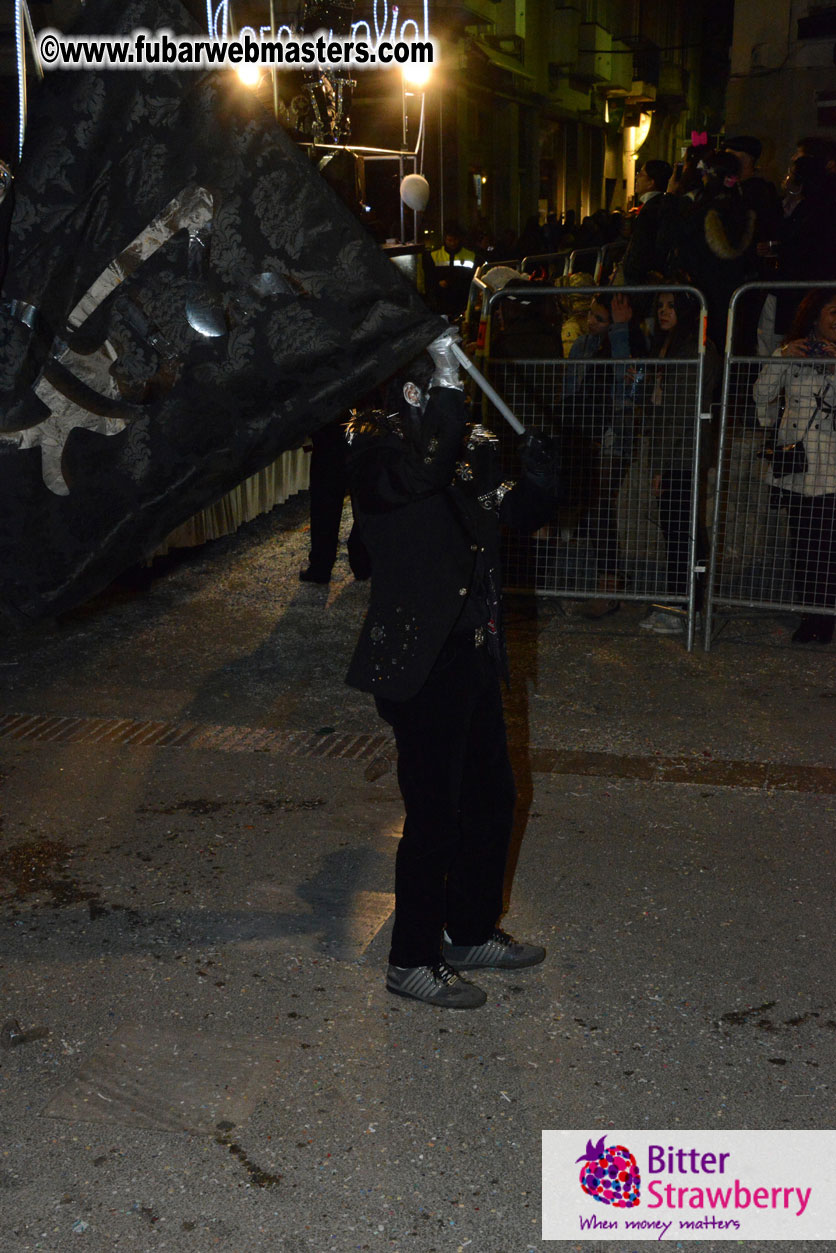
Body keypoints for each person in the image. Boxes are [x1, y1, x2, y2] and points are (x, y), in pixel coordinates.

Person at [345, 329, 558, 1008]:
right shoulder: (373, 445)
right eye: (442, 384)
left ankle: (466, 931)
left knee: (493, 798)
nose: (457, 398)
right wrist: (445, 396)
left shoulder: (460, 450)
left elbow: (507, 512)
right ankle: (410, 957)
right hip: (421, 661)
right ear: (414, 389)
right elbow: (418, 476)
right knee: (434, 815)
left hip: (472, 652)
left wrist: (546, 477)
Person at [753, 288, 836, 644]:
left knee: (828, 547)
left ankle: (827, 618)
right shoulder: (787, 352)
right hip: (798, 468)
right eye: (833, 311)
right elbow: (761, 395)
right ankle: (811, 617)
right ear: (815, 317)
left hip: (832, 467)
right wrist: (783, 357)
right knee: (802, 546)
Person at [638, 290, 720, 635]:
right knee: (678, 530)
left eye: (671, 306)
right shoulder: (667, 347)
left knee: (683, 531)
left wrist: (660, 464)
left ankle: (685, 606)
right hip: (673, 450)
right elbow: (659, 404)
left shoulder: (697, 348)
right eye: (659, 306)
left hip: (683, 452)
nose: (663, 312)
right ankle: (682, 604)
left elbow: (681, 411)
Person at [563, 292, 647, 617]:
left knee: (600, 504)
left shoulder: (628, 341)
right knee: (594, 505)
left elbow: (629, 388)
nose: (591, 322)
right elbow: (571, 389)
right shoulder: (584, 345)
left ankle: (609, 585)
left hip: (612, 435)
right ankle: (607, 582)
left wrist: (621, 331)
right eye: (591, 316)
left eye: (600, 318)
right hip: (585, 435)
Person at [299, 415, 370, 584]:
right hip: (358, 426)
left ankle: (322, 566)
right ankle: (361, 560)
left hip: (335, 429)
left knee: (326, 503)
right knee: (362, 499)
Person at [622, 159, 674, 285]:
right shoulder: (661, 205)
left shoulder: (651, 210)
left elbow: (642, 246)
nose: (636, 177)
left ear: (651, 182)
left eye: (641, 174)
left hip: (643, 279)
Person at [424, 221, 477, 319]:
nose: (453, 243)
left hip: (462, 301)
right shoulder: (434, 256)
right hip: (441, 303)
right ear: (445, 239)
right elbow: (429, 279)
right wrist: (438, 284)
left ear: (460, 239)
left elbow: (472, 278)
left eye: (455, 240)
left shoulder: (470, 255)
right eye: (450, 240)